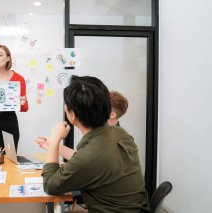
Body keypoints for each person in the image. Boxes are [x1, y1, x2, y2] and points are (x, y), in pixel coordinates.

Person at [41, 76, 149, 212]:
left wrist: (55, 138)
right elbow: (91, 160)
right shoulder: (121, 134)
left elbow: (50, 185)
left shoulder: (89, 156)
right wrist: (54, 145)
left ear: (72, 114)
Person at [36, 90, 129, 160]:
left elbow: (86, 161)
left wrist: (54, 143)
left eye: (101, 107)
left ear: (112, 114)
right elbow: (83, 157)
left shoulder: (114, 140)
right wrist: (53, 145)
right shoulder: (103, 132)